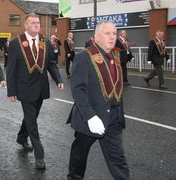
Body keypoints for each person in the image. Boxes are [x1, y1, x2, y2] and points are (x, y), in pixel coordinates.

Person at [67, 21, 130, 180]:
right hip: (90, 118)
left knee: (118, 159)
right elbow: (78, 90)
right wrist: (91, 117)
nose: (112, 37)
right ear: (96, 36)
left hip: (113, 118)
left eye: (114, 34)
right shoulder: (84, 57)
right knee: (79, 157)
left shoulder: (114, 57)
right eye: (107, 33)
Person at [6, 13, 64, 170]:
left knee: (31, 117)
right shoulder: (16, 43)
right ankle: (40, 155)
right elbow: (10, 69)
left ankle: (21, 137)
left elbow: (51, 63)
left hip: (41, 89)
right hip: (24, 89)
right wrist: (11, 91)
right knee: (32, 122)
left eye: (38, 22)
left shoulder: (44, 42)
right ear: (25, 25)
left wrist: (58, 79)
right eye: (33, 23)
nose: (37, 25)